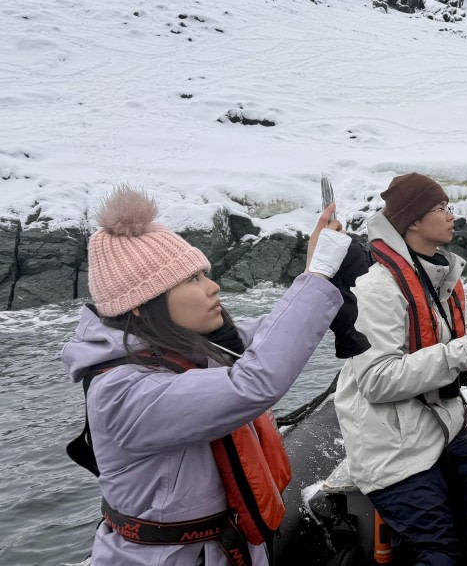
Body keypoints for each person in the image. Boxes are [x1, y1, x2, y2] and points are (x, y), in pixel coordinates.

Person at [61, 187, 349, 566]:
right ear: (142, 304)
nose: (213, 287)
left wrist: (315, 276)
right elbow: (251, 383)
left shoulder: (180, 349)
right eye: (193, 279)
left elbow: (264, 336)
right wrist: (315, 280)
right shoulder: (121, 393)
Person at [333, 172, 467, 565]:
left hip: (442, 426)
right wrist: (464, 353)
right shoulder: (377, 286)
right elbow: (376, 379)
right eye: (441, 208)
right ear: (413, 221)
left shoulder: (442, 274)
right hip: (393, 444)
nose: (451, 215)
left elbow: (457, 341)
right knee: (439, 553)